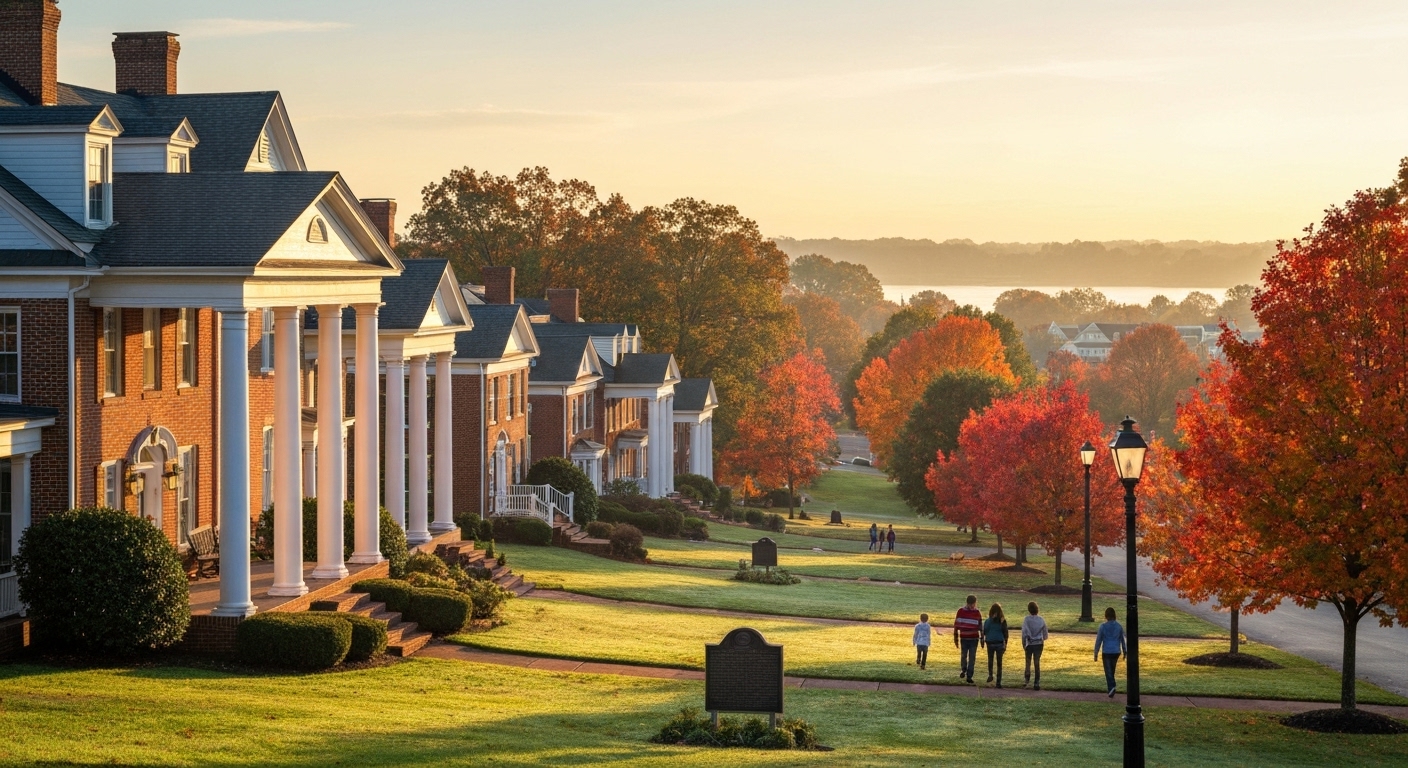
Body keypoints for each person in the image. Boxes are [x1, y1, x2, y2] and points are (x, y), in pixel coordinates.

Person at [1095, 606, 1127, 697]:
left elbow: (1098, 640)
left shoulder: (1102, 627)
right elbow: (1122, 639)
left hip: (1107, 651)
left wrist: (1096, 653)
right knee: (1112, 670)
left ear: (1106, 616)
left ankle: (1112, 687)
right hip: (1116, 650)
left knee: (1108, 671)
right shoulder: (1119, 626)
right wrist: (1125, 651)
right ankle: (1111, 687)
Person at [953, 595, 983, 682]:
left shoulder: (977, 612)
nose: (972, 606)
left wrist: (982, 638)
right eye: (971, 604)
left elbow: (980, 626)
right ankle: (964, 669)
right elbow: (956, 626)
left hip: (974, 638)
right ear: (967, 603)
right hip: (964, 638)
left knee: (972, 657)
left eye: (973, 604)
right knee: (964, 655)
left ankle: (969, 675)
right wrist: (956, 638)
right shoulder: (961, 611)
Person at [1022, 601, 1048, 690]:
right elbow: (1045, 634)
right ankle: (1036, 682)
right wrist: (1042, 638)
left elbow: (1024, 633)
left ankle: (1026, 680)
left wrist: (1024, 643)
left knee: (1028, 662)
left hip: (1029, 643)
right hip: (1039, 643)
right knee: (1037, 663)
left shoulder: (1026, 619)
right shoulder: (1041, 620)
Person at [982, 603, 1009, 687]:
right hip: (999, 643)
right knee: (999, 663)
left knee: (990, 660)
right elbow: (1005, 633)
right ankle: (998, 682)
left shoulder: (988, 621)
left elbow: (985, 631)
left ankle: (990, 674)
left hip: (990, 642)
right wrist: (1005, 644)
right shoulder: (1002, 621)